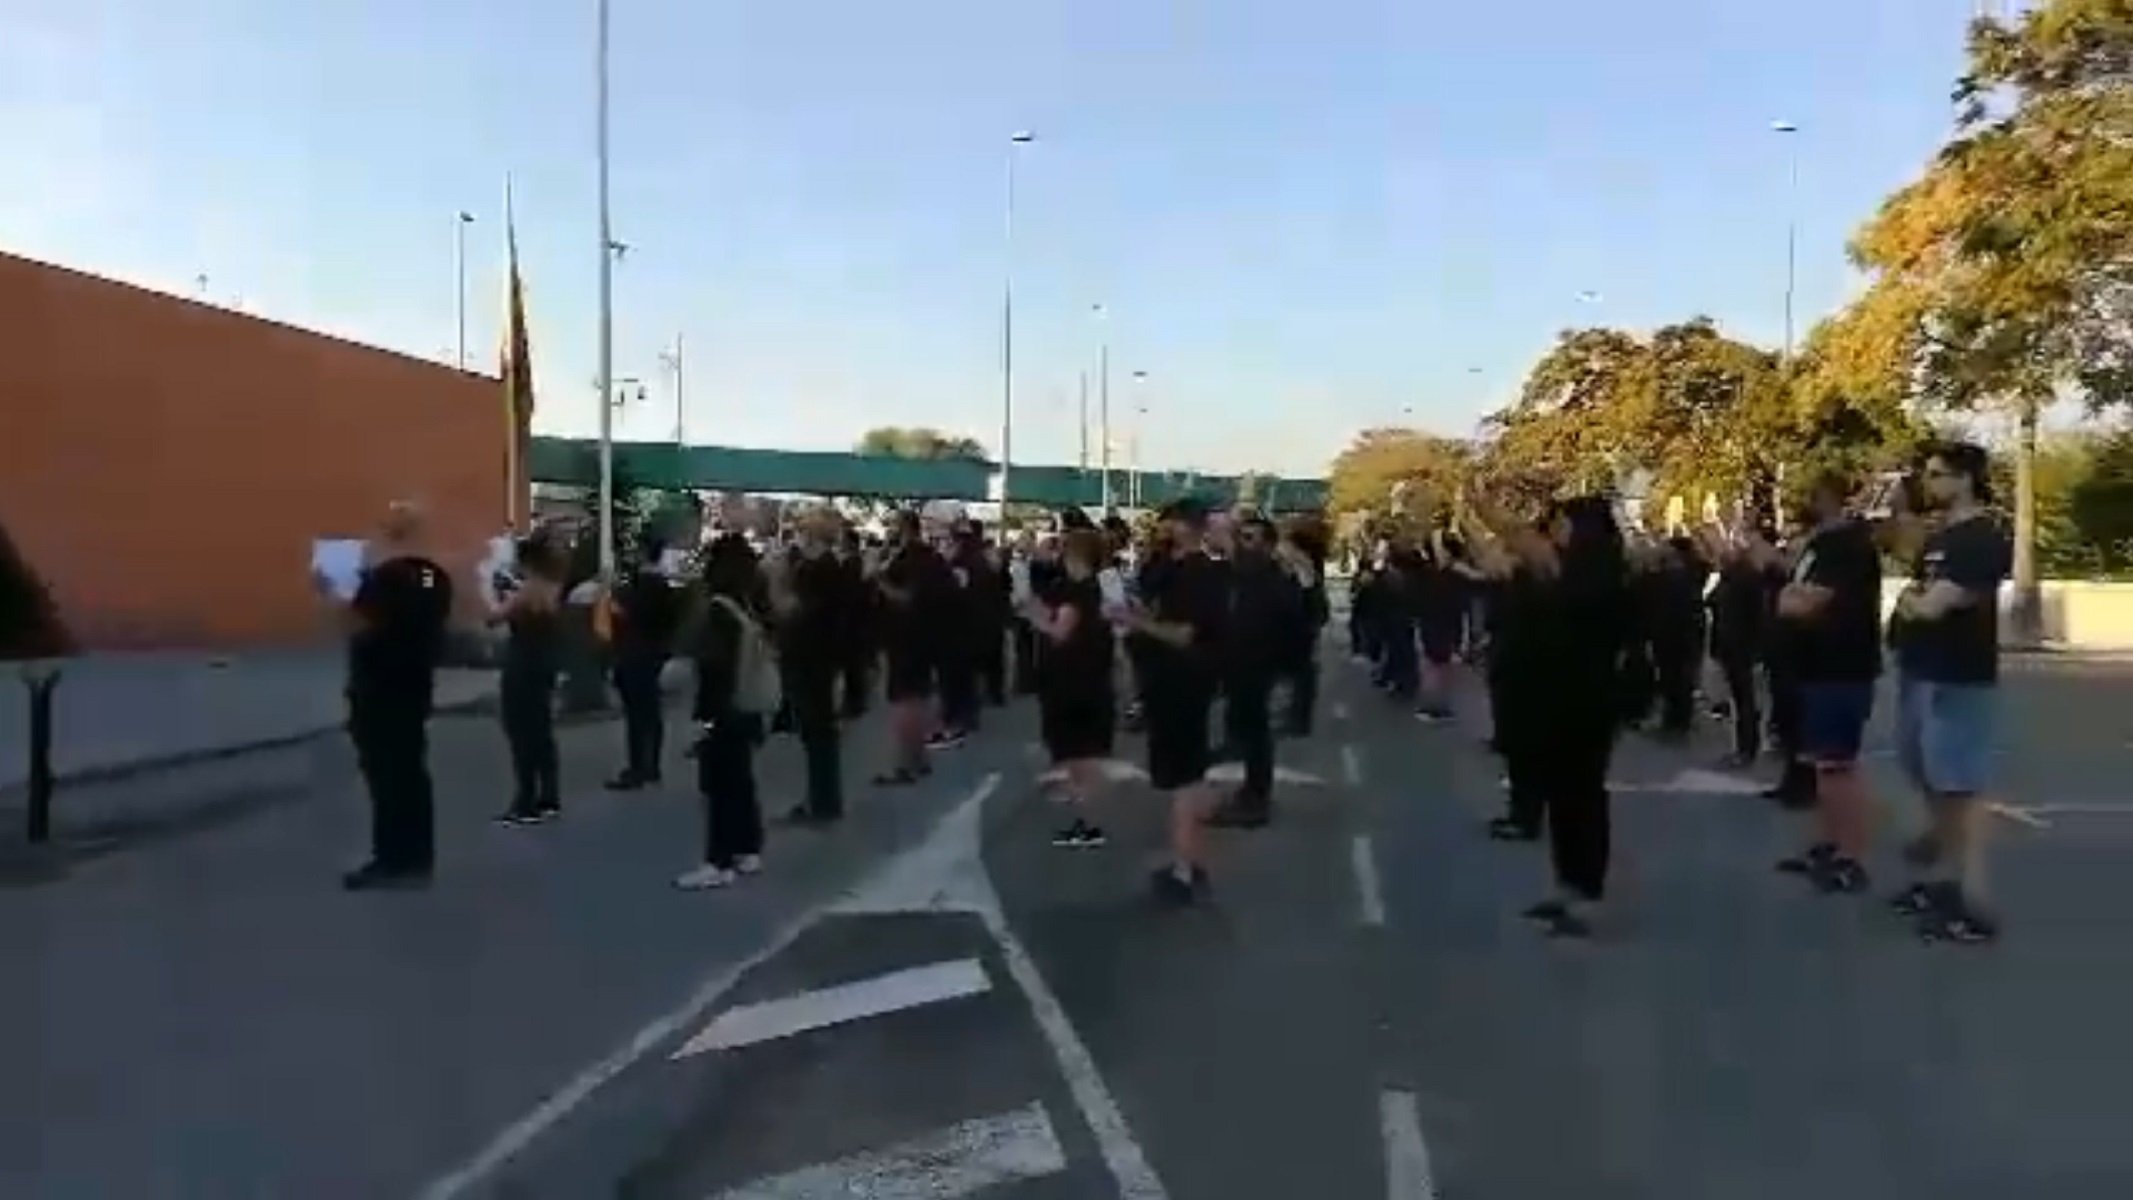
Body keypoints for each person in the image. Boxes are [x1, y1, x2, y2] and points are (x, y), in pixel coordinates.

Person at [1885, 441, 2011, 943]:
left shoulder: (1981, 538)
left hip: (1958, 678)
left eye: (1938, 475)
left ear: (1965, 479)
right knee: (1928, 773)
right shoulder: (1942, 537)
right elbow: (1916, 586)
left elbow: (1933, 605)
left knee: (1960, 787)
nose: (1929, 483)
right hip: (1921, 670)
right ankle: (1942, 876)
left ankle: (1974, 901)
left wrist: (1914, 601)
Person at [327, 502, 453, 890]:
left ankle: (391, 859)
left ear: (393, 531)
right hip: (415, 684)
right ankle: (418, 856)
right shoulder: (436, 576)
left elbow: (356, 620)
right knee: (412, 770)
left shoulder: (385, 576)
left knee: (385, 775)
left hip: (379, 686)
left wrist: (330, 592)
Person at [1774, 471, 1885, 895]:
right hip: (1814, 667)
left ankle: (1852, 856)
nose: (1805, 501)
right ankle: (1828, 843)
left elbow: (1806, 599)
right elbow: (1793, 587)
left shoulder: (1848, 547)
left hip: (1842, 667)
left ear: (1831, 499)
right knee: (1822, 764)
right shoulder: (1819, 545)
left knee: (1839, 765)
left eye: (1812, 493)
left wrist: (1790, 600)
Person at [1117, 497, 1230, 905]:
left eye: (1167, 523)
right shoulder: (1173, 569)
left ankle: (1186, 872)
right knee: (1187, 774)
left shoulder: (1200, 575)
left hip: (1183, 682)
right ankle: (1190, 859)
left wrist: (1137, 621)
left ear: (1185, 526)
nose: (1161, 529)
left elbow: (1184, 634)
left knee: (1184, 778)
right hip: (1174, 682)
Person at [676, 533, 773, 889]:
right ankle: (748, 849)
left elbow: (715, 671)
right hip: (747, 707)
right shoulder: (746, 605)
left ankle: (718, 860)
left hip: (725, 710)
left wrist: (704, 720)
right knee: (741, 781)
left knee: (717, 786)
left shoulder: (718, 610)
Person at [1208, 513, 1305, 829]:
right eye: (1241, 536)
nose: (1242, 543)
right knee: (1248, 728)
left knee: (1257, 733)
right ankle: (1252, 791)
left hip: (1259, 666)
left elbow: (1296, 626)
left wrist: (1288, 672)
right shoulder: (1240, 574)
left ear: (1267, 545)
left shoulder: (1272, 578)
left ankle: (1255, 798)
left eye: (1250, 538)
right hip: (1239, 665)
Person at [1026, 525, 1117, 848]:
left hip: (1072, 682)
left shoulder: (1076, 592)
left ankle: (1089, 825)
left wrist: (1036, 617)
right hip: (1092, 679)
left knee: (1080, 758)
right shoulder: (1098, 588)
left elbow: (1061, 632)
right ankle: (1086, 820)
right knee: (1085, 756)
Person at [492, 529, 565, 825]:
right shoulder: (551, 587)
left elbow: (493, 617)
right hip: (544, 664)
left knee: (521, 733)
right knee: (541, 732)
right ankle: (549, 797)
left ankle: (526, 801)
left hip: (522, 665)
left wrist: (502, 595)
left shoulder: (528, 589)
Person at [607, 538, 681, 790]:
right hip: (654, 653)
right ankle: (653, 766)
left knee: (636, 714)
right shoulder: (666, 588)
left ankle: (636, 767)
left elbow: (624, 615)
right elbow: (670, 621)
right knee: (651, 712)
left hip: (634, 652)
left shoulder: (638, 586)